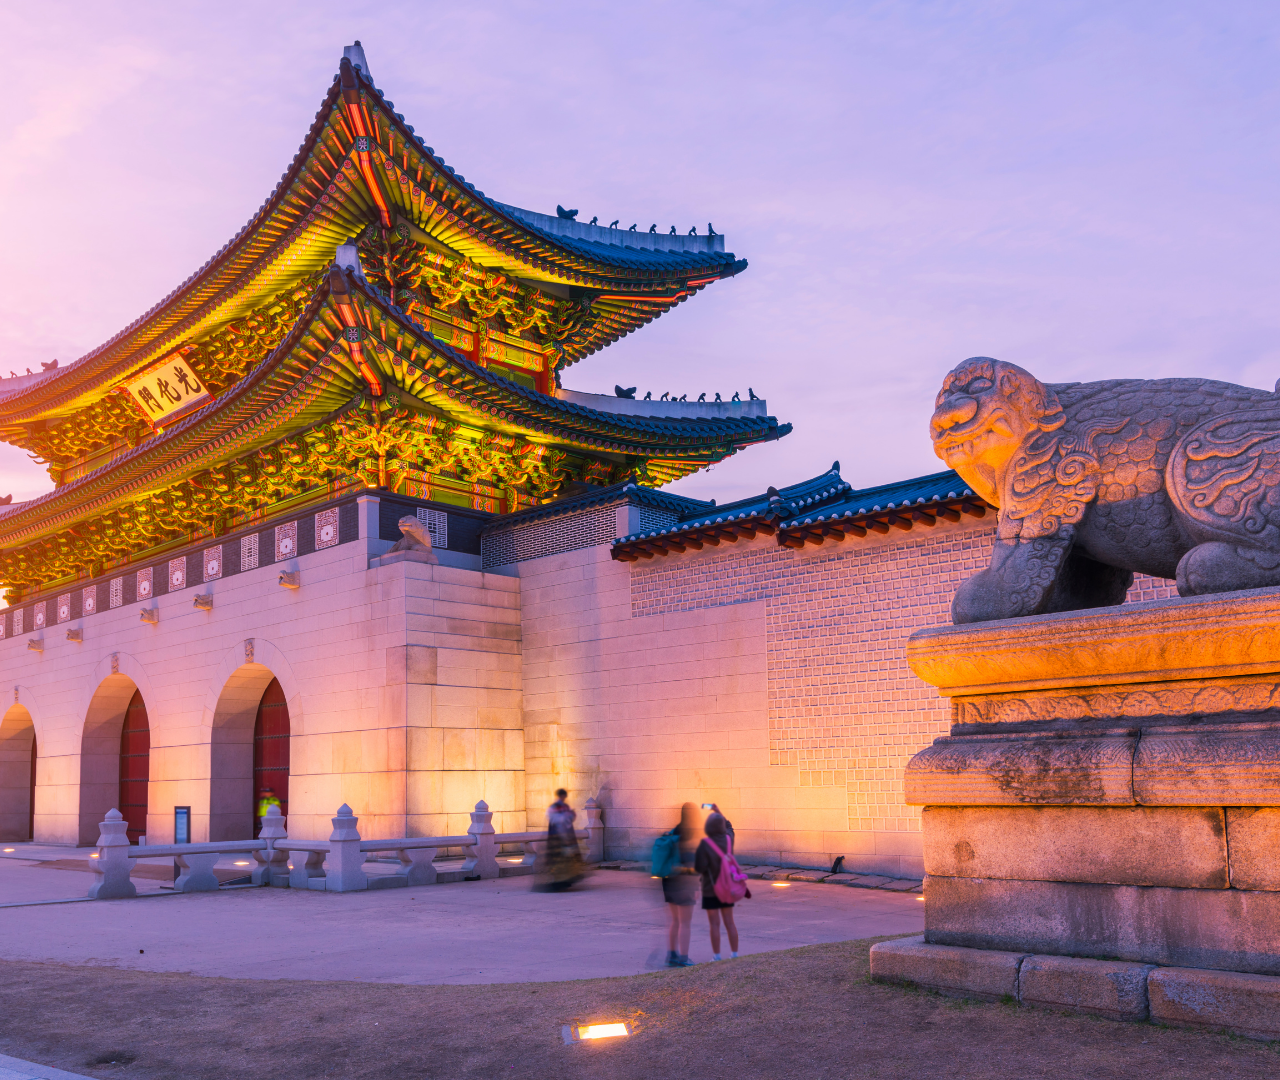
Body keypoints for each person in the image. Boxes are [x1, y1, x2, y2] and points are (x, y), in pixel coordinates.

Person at [695, 806, 741, 960]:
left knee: (714, 924)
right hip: (727, 887)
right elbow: (729, 826)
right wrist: (717, 811)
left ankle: (717, 956)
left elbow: (699, 867)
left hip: (710, 888)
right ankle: (734, 954)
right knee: (730, 922)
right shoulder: (728, 839)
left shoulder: (705, 844)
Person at [660, 803, 699, 967]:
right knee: (685, 923)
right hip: (684, 883)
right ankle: (684, 958)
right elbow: (692, 864)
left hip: (668, 881)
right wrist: (696, 886)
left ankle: (672, 955)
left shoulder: (673, 832)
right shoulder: (692, 834)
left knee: (675, 920)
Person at [535, 788, 585, 891]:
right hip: (558, 837)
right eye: (563, 796)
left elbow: (568, 818)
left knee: (565, 858)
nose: (564, 798)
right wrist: (567, 816)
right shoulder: (556, 807)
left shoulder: (562, 807)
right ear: (561, 796)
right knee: (559, 859)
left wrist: (570, 815)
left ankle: (565, 880)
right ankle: (559, 881)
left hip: (562, 836)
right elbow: (558, 820)